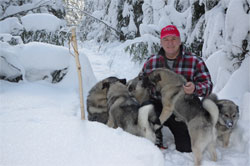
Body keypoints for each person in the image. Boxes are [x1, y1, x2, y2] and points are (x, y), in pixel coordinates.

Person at [141, 25, 213, 152]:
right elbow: (141, 83)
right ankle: (155, 139)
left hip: (181, 109)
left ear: (180, 41)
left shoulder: (194, 61)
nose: (170, 43)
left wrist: (195, 88)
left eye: (173, 39)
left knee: (186, 148)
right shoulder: (152, 62)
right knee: (146, 109)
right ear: (161, 42)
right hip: (158, 106)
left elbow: (208, 86)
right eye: (166, 39)